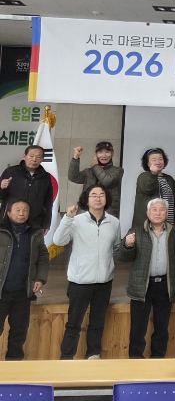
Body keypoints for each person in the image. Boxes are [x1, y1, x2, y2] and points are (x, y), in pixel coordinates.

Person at [53, 184, 121, 360]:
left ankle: (93, 356)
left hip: (104, 282)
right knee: (73, 324)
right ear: (87, 199)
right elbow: (58, 241)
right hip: (80, 282)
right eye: (93, 195)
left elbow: (115, 248)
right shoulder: (76, 220)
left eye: (101, 194)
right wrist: (67, 218)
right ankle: (66, 359)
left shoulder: (114, 222)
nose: (98, 198)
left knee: (97, 324)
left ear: (106, 198)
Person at [119, 198, 175, 358]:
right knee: (137, 329)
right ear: (147, 212)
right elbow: (123, 257)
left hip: (165, 285)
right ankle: (135, 361)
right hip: (142, 286)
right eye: (154, 210)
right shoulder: (136, 231)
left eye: (161, 209)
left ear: (166, 213)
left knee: (161, 329)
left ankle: (157, 360)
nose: (158, 213)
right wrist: (127, 245)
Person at [0, 199, 48, 360]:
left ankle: (14, 369)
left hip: (22, 293)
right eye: (17, 209)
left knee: (18, 334)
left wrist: (40, 278)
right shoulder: (1, 230)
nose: (21, 213)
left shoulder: (35, 233)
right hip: (1, 292)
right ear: (8, 212)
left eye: (25, 210)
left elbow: (43, 256)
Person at [0, 146, 53, 233]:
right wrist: (1, 187)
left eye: (38, 157)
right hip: (10, 221)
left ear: (42, 159)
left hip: (35, 222)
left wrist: (46, 224)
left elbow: (48, 202)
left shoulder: (45, 177)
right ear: (24, 156)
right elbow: (1, 196)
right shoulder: (10, 172)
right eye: (31, 156)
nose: (34, 159)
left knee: (33, 242)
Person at [68, 142, 124, 218]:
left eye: (107, 152)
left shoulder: (118, 170)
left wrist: (95, 166)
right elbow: (73, 177)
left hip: (108, 212)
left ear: (112, 154)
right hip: (86, 211)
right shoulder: (88, 171)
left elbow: (107, 181)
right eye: (100, 152)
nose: (104, 155)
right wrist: (75, 158)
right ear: (95, 155)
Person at [132, 148, 175, 228]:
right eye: (154, 160)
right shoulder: (143, 176)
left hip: (169, 222)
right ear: (148, 163)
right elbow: (148, 189)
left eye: (160, 159)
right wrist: (153, 174)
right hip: (148, 224)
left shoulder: (169, 179)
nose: (158, 162)